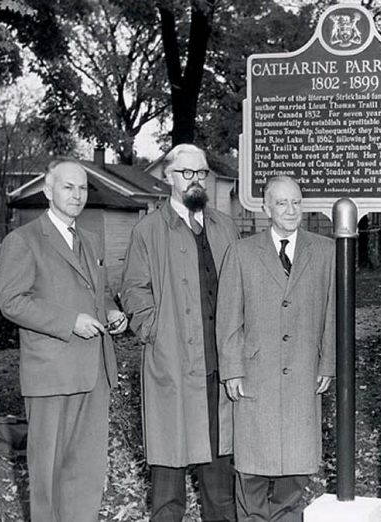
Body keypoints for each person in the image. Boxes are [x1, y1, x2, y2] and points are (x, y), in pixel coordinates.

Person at [0, 158, 127, 521]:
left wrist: (111, 311)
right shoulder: (22, 240)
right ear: (47, 190)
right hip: (51, 375)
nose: (78, 194)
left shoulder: (90, 239)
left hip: (93, 373)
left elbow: (97, 293)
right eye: (68, 187)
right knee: (48, 476)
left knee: (86, 473)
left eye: (83, 188)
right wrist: (70, 321)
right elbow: (12, 301)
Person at [121, 144, 239, 522]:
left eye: (201, 173)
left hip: (220, 370)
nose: (195, 180)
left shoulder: (224, 226)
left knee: (221, 485)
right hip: (172, 367)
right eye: (187, 173)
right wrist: (154, 329)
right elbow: (135, 290)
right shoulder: (148, 230)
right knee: (168, 486)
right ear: (168, 177)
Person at [216, 175, 335, 522]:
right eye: (282, 203)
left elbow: (333, 313)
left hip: (303, 378)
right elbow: (228, 319)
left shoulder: (325, 251)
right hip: (256, 379)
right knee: (251, 473)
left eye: (296, 202)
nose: (291, 210)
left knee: (294, 478)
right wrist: (233, 370)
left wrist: (327, 364)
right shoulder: (240, 252)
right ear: (265, 207)